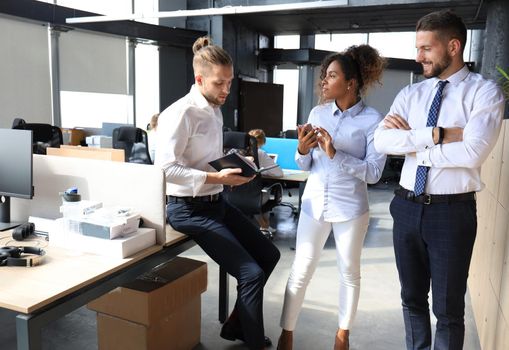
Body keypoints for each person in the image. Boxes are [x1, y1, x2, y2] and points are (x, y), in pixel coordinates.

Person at [374, 10, 505, 350]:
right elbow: (382, 141)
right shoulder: (411, 95)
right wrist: (436, 134)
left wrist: (416, 148)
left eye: (426, 49)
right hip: (405, 207)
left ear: (453, 46)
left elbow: (473, 152)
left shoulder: (484, 93)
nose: (418, 57)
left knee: (447, 311)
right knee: (411, 300)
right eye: (417, 48)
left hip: (451, 214)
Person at [155, 36, 280, 350]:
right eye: (219, 83)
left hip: (216, 203)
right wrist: (216, 176)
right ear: (199, 80)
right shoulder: (180, 113)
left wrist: (235, 161)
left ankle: (237, 324)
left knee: (269, 254)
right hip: (187, 209)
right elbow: (166, 169)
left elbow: (202, 155)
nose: (226, 90)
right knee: (250, 273)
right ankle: (252, 341)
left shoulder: (214, 109)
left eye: (229, 82)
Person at [277, 45, 387, 350]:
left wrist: (335, 153)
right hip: (313, 203)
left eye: (331, 76)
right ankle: (286, 334)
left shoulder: (372, 120)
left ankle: (342, 335)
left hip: (350, 209)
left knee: (349, 272)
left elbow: (375, 173)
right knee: (301, 268)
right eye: (324, 76)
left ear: (350, 82)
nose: (323, 82)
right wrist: (301, 150)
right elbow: (306, 164)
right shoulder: (317, 113)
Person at [248, 128, 284, 234]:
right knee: (264, 193)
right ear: (263, 141)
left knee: (252, 197)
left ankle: (264, 226)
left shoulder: (237, 151)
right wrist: (263, 172)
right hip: (254, 197)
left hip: (233, 195)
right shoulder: (261, 153)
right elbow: (279, 173)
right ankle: (265, 226)